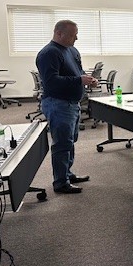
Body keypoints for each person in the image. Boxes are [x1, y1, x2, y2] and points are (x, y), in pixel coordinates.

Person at [36, 20, 97, 194]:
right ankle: (61, 182)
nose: (76, 38)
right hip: (58, 103)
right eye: (72, 35)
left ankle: (67, 174)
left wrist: (87, 79)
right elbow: (51, 82)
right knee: (62, 144)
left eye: (76, 34)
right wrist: (79, 80)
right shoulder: (49, 53)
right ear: (59, 33)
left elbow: (78, 72)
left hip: (72, 103)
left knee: (70, 141)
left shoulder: (72, 50)